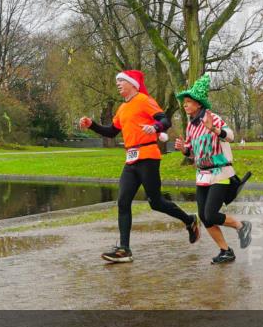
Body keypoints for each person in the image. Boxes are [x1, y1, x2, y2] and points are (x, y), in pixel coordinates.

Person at [79, 70, 200, 263]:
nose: (117, 84)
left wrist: (155, 128)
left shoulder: (143, 100)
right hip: (131, 159)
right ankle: (124, 249)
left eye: (121, 81)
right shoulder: (122, 108)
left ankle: (189, 220)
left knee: (156, 202)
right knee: (123, 201)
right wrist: (92, 124)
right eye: (116, 81)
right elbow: (111, 132)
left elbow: (164, 120)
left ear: (133, 84)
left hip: (148, 156)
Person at [175, 74, 252, 265]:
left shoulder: (213, 118)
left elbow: (231, 136)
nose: (185, 105)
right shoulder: (191, 127)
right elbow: (192, 152)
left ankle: (241, 225)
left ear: (198, 104)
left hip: (220, 173)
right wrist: (184, 150)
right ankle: (226, 251)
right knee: (204, 217)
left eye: (188, 102)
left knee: (210, 214)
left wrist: (215, 130)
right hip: (202, 174)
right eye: (184, 102)